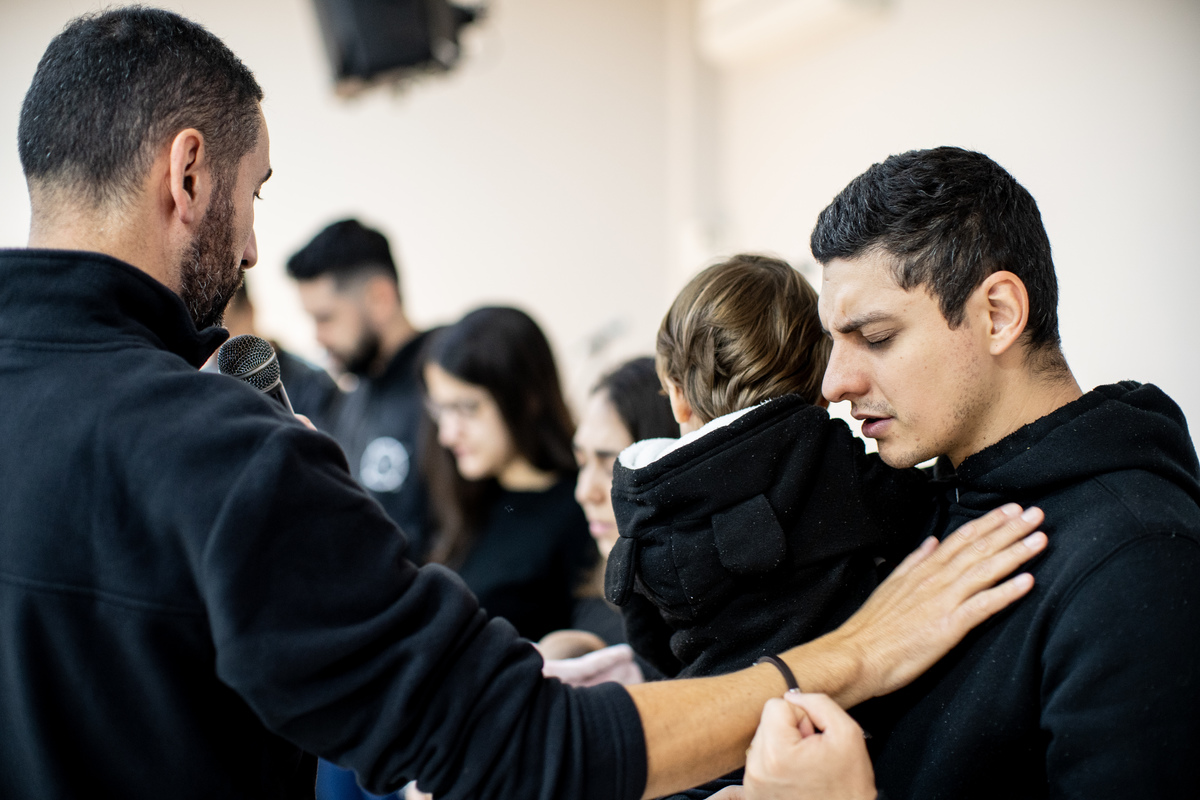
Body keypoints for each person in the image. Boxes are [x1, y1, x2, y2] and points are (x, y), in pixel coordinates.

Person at [0, 10, 1047, 798]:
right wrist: (857, 649)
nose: (251, 249)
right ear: (188, 171)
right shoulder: (217, 453)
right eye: (256, 190)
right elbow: (524, 746)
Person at [738, 145, 1200, 799]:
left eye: (875, 337)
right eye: (833, 343)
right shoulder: (924, 502)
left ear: (998, 314)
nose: (835, 383)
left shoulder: (1139, 559)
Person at [607, 254, 933, 683]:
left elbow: (647, 641)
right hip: (839, 698)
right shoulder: (829, 466)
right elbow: (919, 505)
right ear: (821, 391)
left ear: (678, 395)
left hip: (716, 709)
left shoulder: (645, 510)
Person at [420, 306, 597, 642]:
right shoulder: (463, 496)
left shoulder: (583, 506)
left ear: (527, 398)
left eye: (467, 408)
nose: (447, 434)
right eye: (441, 410)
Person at [287, 219, 432, 556]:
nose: (318, 338)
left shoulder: (442, 390)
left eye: (326, 318)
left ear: (380, 298)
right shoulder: (352, 397)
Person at [538, 356, 680, 674]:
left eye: (609, 467)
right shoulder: (594, 594)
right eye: (582, 463)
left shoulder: (696, 626)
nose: (584, 492)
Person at [214, 278, 341, 426]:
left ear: (249, 310)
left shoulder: (315, 385)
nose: (217, 345)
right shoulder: (209, 392)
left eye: (224, 328)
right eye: (206, 331)